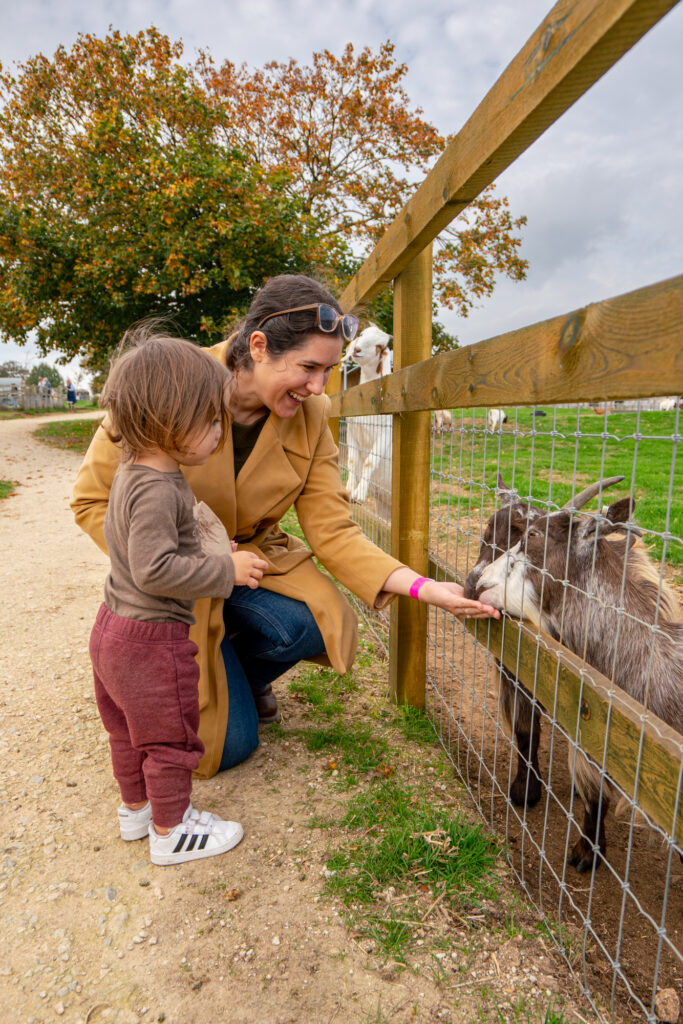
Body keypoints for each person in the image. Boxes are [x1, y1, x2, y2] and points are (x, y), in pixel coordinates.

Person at [72, 274, 499, 783]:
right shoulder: (168, 380)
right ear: (258, 347)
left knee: (313, 620)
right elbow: (91, 501)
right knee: (230, 748)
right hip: (178, 583)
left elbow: (334, 530)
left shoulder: (313, 413)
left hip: (252, 563)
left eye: (330, 371)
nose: (319, 388)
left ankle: (239, 674)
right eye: (309, 368)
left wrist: (425, 588)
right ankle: (210, 679)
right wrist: (175, 559)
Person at [87, 331, 268, 865]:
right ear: (169, 419)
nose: (219, 433)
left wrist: (208, 545)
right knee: (169, 738)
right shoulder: (160, 487)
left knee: (126, 730)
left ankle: (136, 811)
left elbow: (147, 546)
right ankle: (171, 830)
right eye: (211, 421)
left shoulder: (133, 473)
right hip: (151, 639)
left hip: (111, 628)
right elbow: (155, 567)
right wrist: (226, 569)